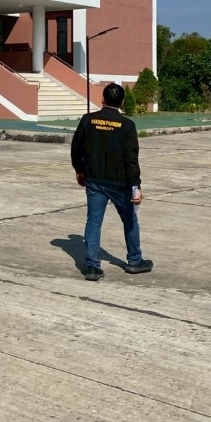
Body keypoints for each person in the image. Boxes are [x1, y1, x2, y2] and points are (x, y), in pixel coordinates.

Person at [70, 81, 152, 281]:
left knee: (93, 221)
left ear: (103, 99)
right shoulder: (127, 126)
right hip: (120, 184)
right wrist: (136, 186)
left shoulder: (88, 120)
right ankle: (134, 261)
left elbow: (76, 148)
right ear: (122, 101)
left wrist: (79, 170)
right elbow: (131, 159)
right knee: (130, 219)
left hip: (94, 180)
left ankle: (92, 267)